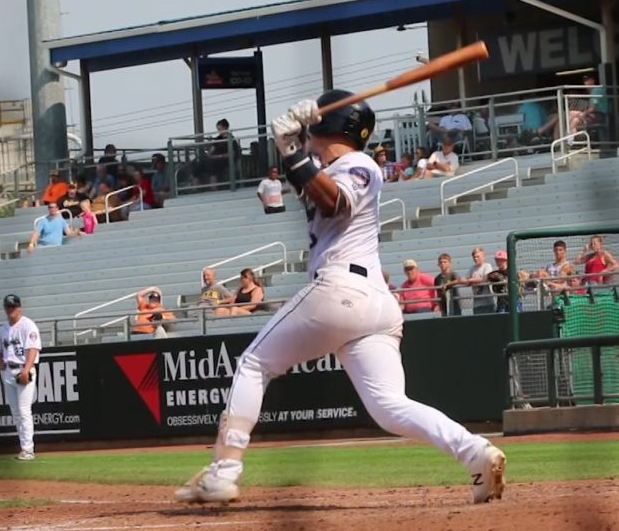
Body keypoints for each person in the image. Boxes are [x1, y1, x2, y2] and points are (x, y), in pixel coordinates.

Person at [174, 90, 506, 506]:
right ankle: (475, 451)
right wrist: (292, 146)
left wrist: (295, 146)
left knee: (254, 363)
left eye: (316, 129)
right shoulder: (335, 166)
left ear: (328, 128)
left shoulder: (360, 164)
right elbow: (312, 184)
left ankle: (223, 473)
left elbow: (334, 201)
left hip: (341, 290)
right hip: (374, 304)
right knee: (389, 407)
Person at [0, 294, 42, 461]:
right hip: (9, 370)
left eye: (13, 306)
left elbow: (33, 348)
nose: (11, 309)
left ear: (19, 307)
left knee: (24, 410)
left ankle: (28, 449)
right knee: (15, 412)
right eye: (8, 306)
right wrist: (0, 363)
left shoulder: (28, 325)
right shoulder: (3, 328)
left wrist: (26, 370)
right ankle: (24, 448)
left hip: (23, 369)